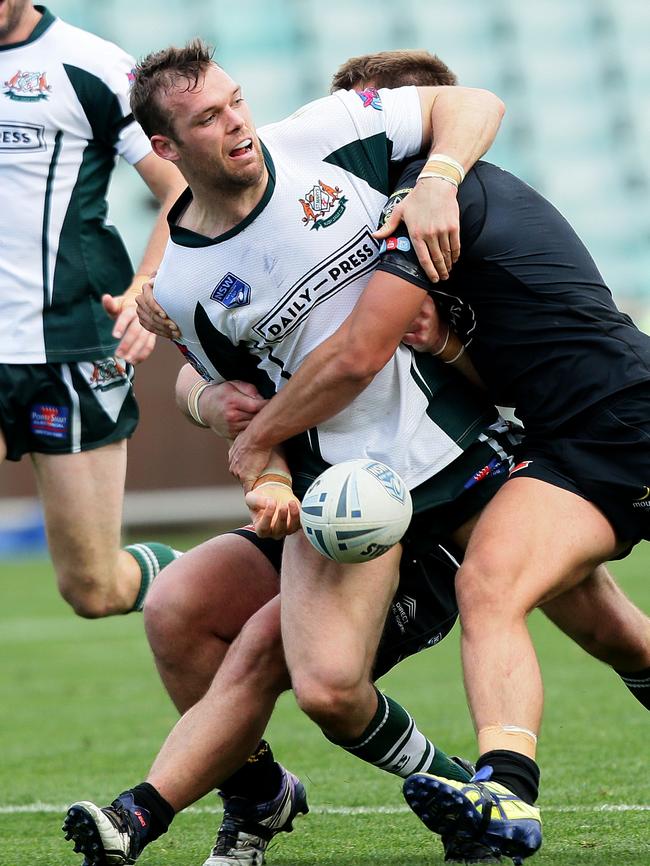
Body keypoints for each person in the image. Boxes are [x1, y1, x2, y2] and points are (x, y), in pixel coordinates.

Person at [62, 46, 650, 866]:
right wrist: (247, 447)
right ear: (166, 150)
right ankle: (236, 805)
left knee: (573, 619)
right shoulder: (189, 285)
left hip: (485, 456)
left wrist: (439, 180)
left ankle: (496, 798)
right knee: (260, 653)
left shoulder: (362, 163)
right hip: (349, 497)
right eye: (208, 116)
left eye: (236, 102)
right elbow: (234, 396)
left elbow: (359, 353)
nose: (235, 123)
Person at [223, 92, 650, 866]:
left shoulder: (429, 201)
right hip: (573, 438)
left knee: (492, 585)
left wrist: (257, 436)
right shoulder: (433, 205)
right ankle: (505, 796)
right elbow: (495, 373)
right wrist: (449, 345)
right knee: (590, 621)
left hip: (624, 422)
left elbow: (356, 355)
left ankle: (507, 793)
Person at [0, 2, 186, 617]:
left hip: (73, 344)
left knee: (94, 589)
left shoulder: (93, 65)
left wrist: (145, 286)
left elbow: (180, 188)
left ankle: (223, 579)